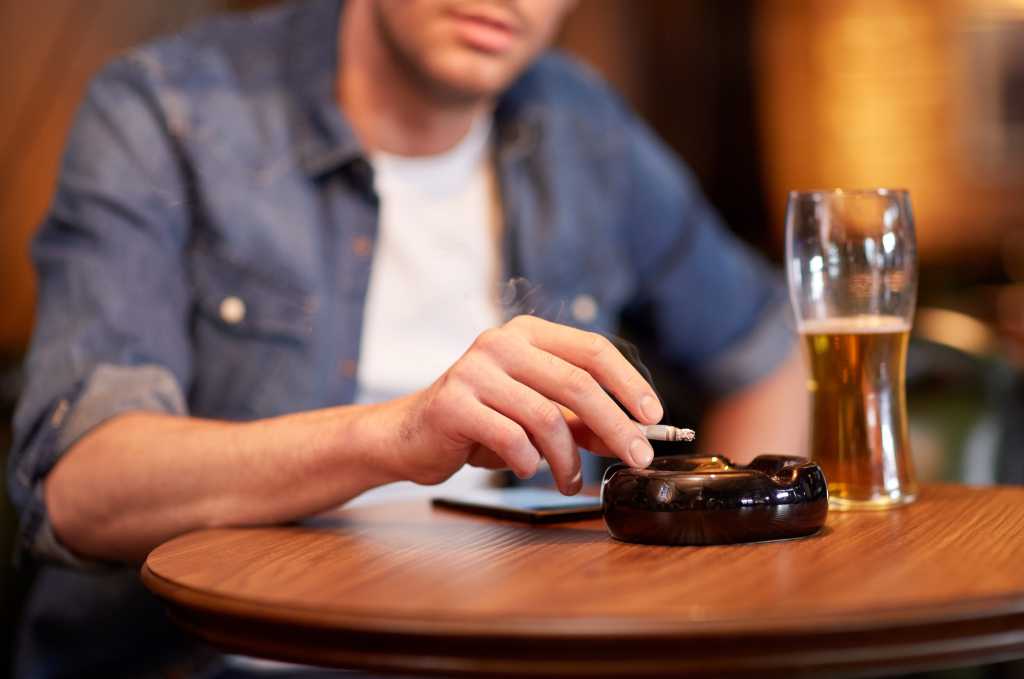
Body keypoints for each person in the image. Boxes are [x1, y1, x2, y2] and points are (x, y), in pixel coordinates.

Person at [8, 0, 806, 675]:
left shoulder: (580, 128)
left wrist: (700, 613)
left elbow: (767, 349)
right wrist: (400, 433)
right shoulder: (165, 111)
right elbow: (80, 486)